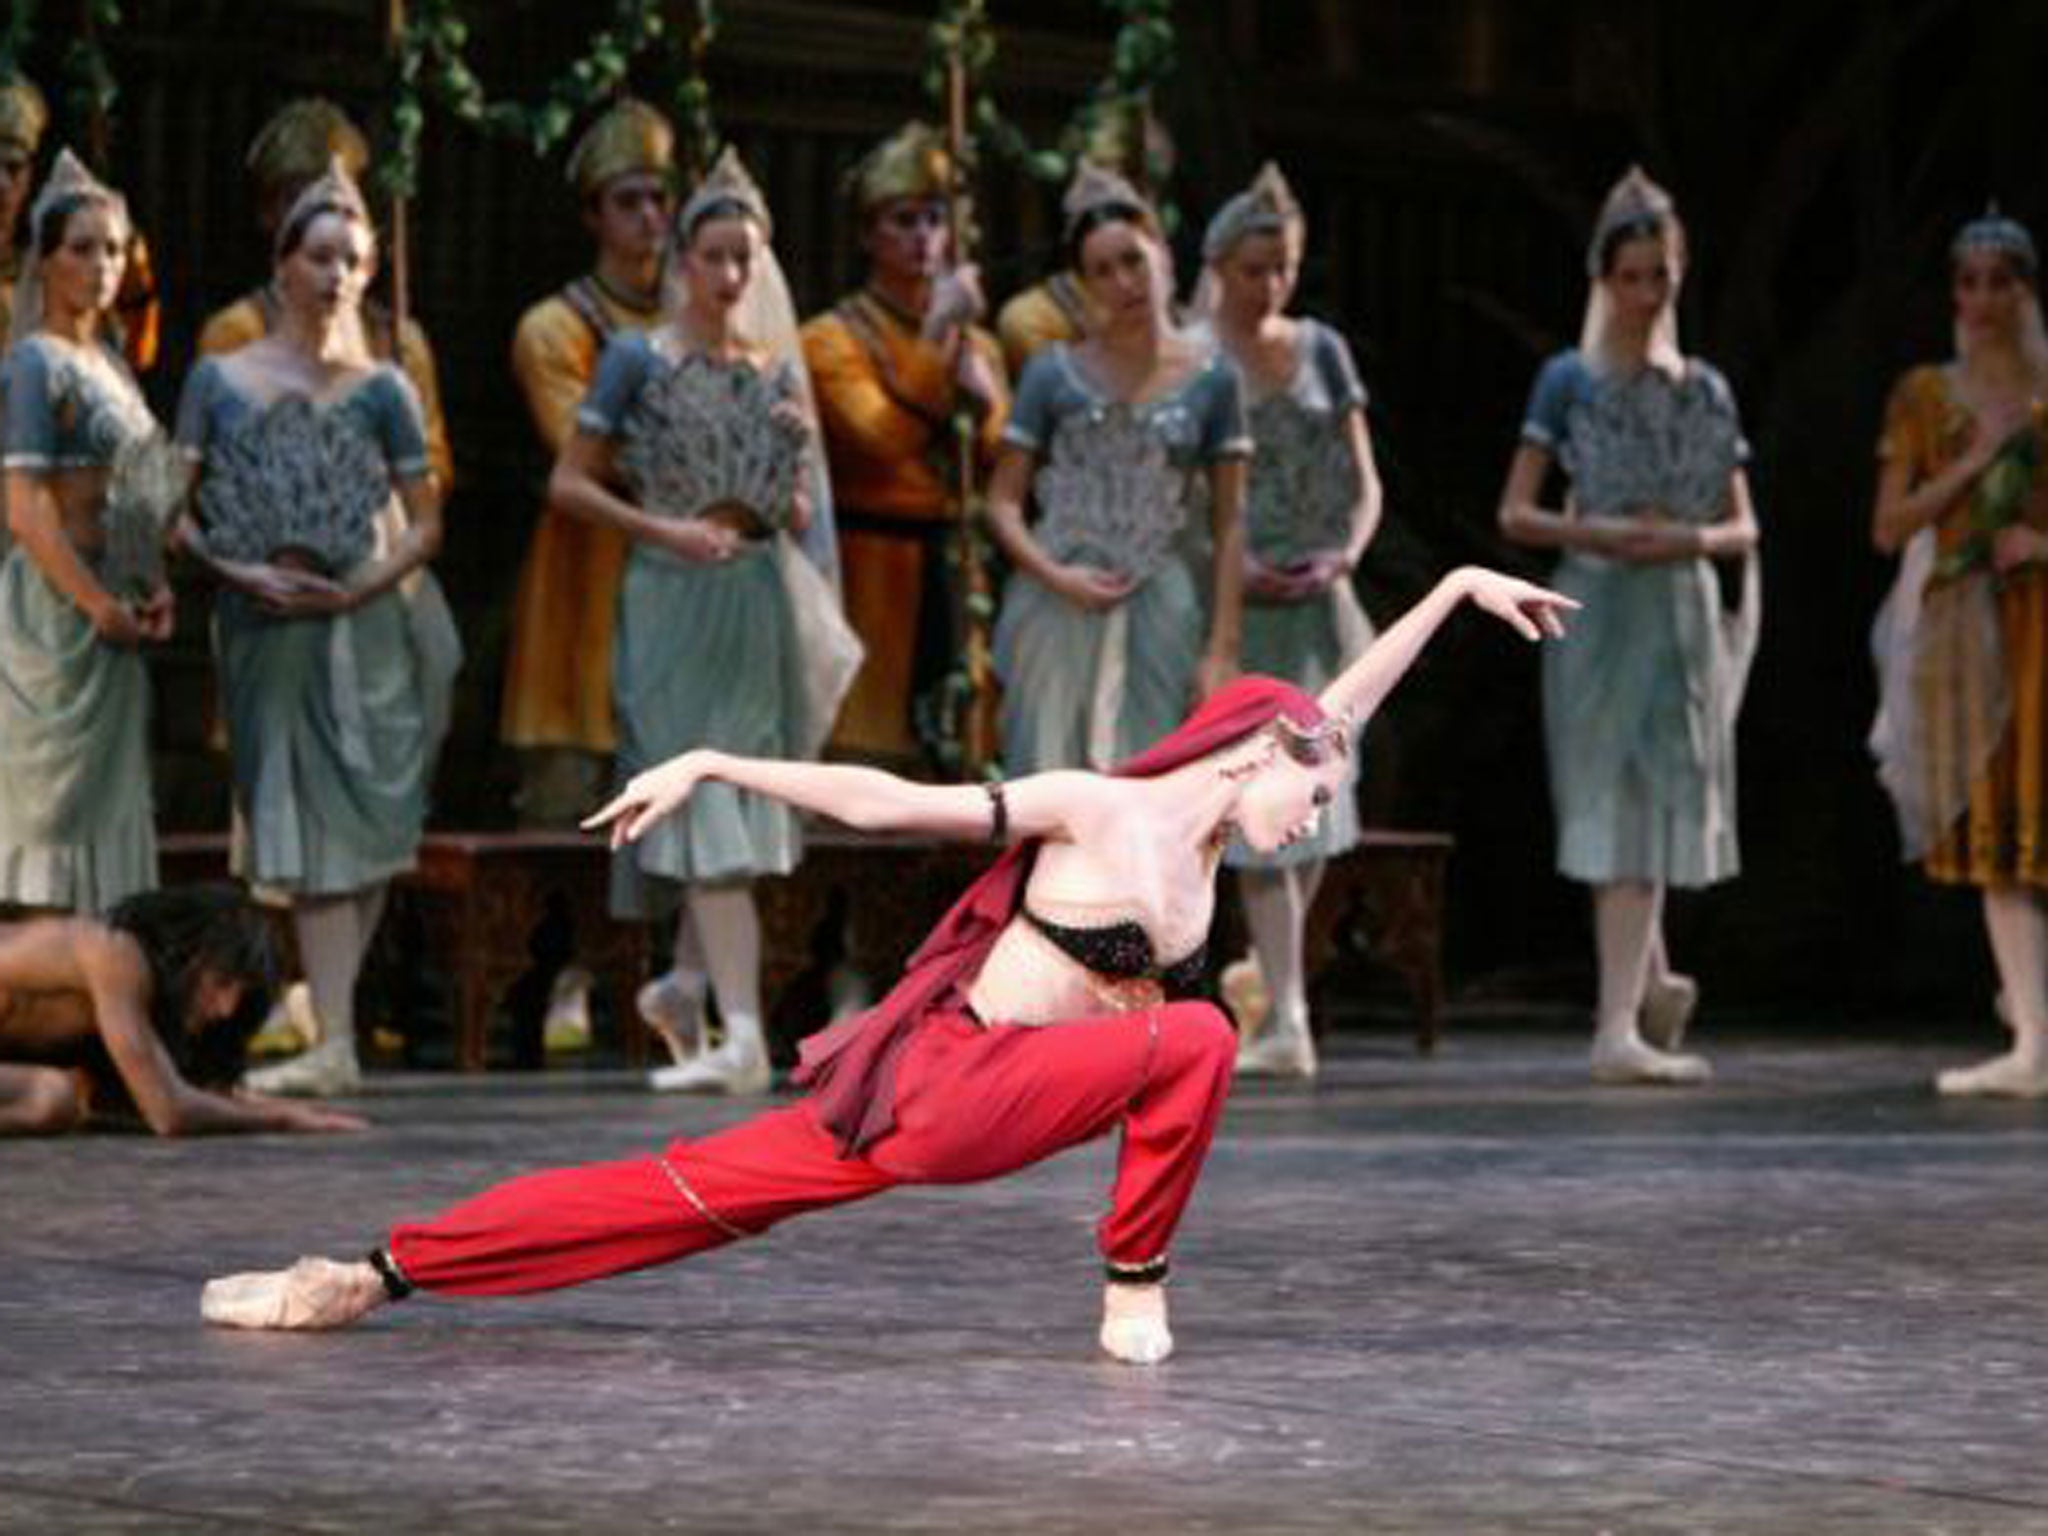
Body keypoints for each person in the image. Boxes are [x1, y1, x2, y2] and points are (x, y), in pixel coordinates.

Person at [198, 565, 1573, 1359]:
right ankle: (1134, 1281)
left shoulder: (1226, 835)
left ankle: (370, 1272)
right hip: (945, 1087)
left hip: (978, 1110)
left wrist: (1453, 590)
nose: (1320, 809)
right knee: (1204, 1038)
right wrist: (718, 763)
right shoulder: (1099, 806)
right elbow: (886, 806)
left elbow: (1340, 705)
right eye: (1315, 786)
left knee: (665, 1198)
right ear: (1255, 747)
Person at [547, 147, 857, 1095]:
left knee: (733, 804)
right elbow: (569, 483)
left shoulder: (767, 371)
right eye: (716, 256)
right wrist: (666, 530)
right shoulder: (637, 358)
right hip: (674, 594)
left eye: (746, 260)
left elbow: (792, 514)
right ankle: (744, 1034)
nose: (731, 277)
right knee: (700, 805)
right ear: (684, 258)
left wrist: (793, 479)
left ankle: (691, 986)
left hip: (752, 596)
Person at [174, 156, 459, 1097]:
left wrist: (358, 589)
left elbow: (426, 522)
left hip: (359, 615)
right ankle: (329, 1025)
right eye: (321, 255)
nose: (337, 275)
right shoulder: (222, 378)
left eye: (354, 259)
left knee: (361, 814)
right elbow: (168, 510)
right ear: (283, 263)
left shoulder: (382, 388)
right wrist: (232, 565)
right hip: (261, 618)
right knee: (294, 819)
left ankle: (333, 1027)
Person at [1496, 167, 1761, 1086]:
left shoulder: (1703, 391)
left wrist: (1681, 536)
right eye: (1634, 275)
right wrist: (1606, 531)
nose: (1649, 293)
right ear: (1606, 279)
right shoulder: (1569, 379)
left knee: (1656, 802)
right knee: (1614, 800)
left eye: (1663, 276)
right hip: (1600, 601)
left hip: (1678, 602)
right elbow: (1517, 513)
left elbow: (1743, 524)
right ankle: (1624, 1017)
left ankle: (1639, 1000)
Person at [1190, 162, 1382, 1080]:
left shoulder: (1322, 350)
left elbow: (1365, 476)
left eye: (1285, 267)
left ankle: (1282, 999)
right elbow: (1186, 494)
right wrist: (1232, 570)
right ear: (1221, 264)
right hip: (1239, 600)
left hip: (1318, 602)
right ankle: (1285, 1006)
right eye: (1256, 267)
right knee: (1258, 802)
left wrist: (1347, 548)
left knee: (1315, 804)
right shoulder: (1194, 359)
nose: (1271, 285)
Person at [1870, 207, 2048, 1098]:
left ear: (2025, 291)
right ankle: (2031, 1039)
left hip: (2040, 619)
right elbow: (1889, 524)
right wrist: (1974, 462)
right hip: (1965, 627)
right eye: (1968, 282)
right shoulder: (1927, 399)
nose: (1982, 300)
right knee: (1996, 825)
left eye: (2000, 281)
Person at [988, 165, 1247, 776]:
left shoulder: (1214, 378)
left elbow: (1231, 519)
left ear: (1160, 253)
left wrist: (1222, 648)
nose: (1123, 281)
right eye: (1101, 271)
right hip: (1059, 597)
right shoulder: (1054, 372)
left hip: (1162, 597)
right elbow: (1002, 502)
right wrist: (1056, 575)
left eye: (1132, 259)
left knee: (1154, 783)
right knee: (1054, 783)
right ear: (1083, 286)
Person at [0, 150, 180, 914]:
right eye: (82, 247)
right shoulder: (35, 364)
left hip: (116, 612)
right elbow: (25, 504)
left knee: (109, 815)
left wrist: (150, 586)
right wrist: (90, 603)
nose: (103, 264)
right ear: (45, 259)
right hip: (55, 613)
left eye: (114, 248)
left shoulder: (111, 364)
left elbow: (141, 490)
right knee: (49, 812)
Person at [801, 121, 1007, 765]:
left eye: (934, 220)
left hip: (956, 566)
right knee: (866, 757)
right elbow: (879, 439)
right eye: (903, 220)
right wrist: (938, 347)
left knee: (962, 757)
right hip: (871, 565)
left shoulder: (981, 344)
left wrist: (986, 400)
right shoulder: (829, 339)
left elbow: (1002, 463)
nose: (923, 237)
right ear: (867, 234)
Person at [500, 98, 675, 832]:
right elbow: (585, 448)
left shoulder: (695, 320)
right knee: (570, 795)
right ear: (592, 215)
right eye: (626, 200)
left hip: (678, 578)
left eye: (659, 198)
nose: (647, 216)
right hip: (588, 567)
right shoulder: (555, 326)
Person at [197, 99, 453, 496]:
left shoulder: (402, 343)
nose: (317, 215)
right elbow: (222, 466)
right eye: (295, 199)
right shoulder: (237, 332)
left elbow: (432, 468)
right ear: (268, 214)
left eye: (336, 201)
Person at [0, 885, 363, 1135]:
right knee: (50, 1096)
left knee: (62, 1094)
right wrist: (283, 1119)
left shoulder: (140, 992)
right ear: (191, 955)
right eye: (221, 983)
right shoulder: (113, 955)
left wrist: (282, 1110)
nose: (226, 1009)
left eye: (240, 995)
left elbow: (185, 1088)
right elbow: (168, 1111)